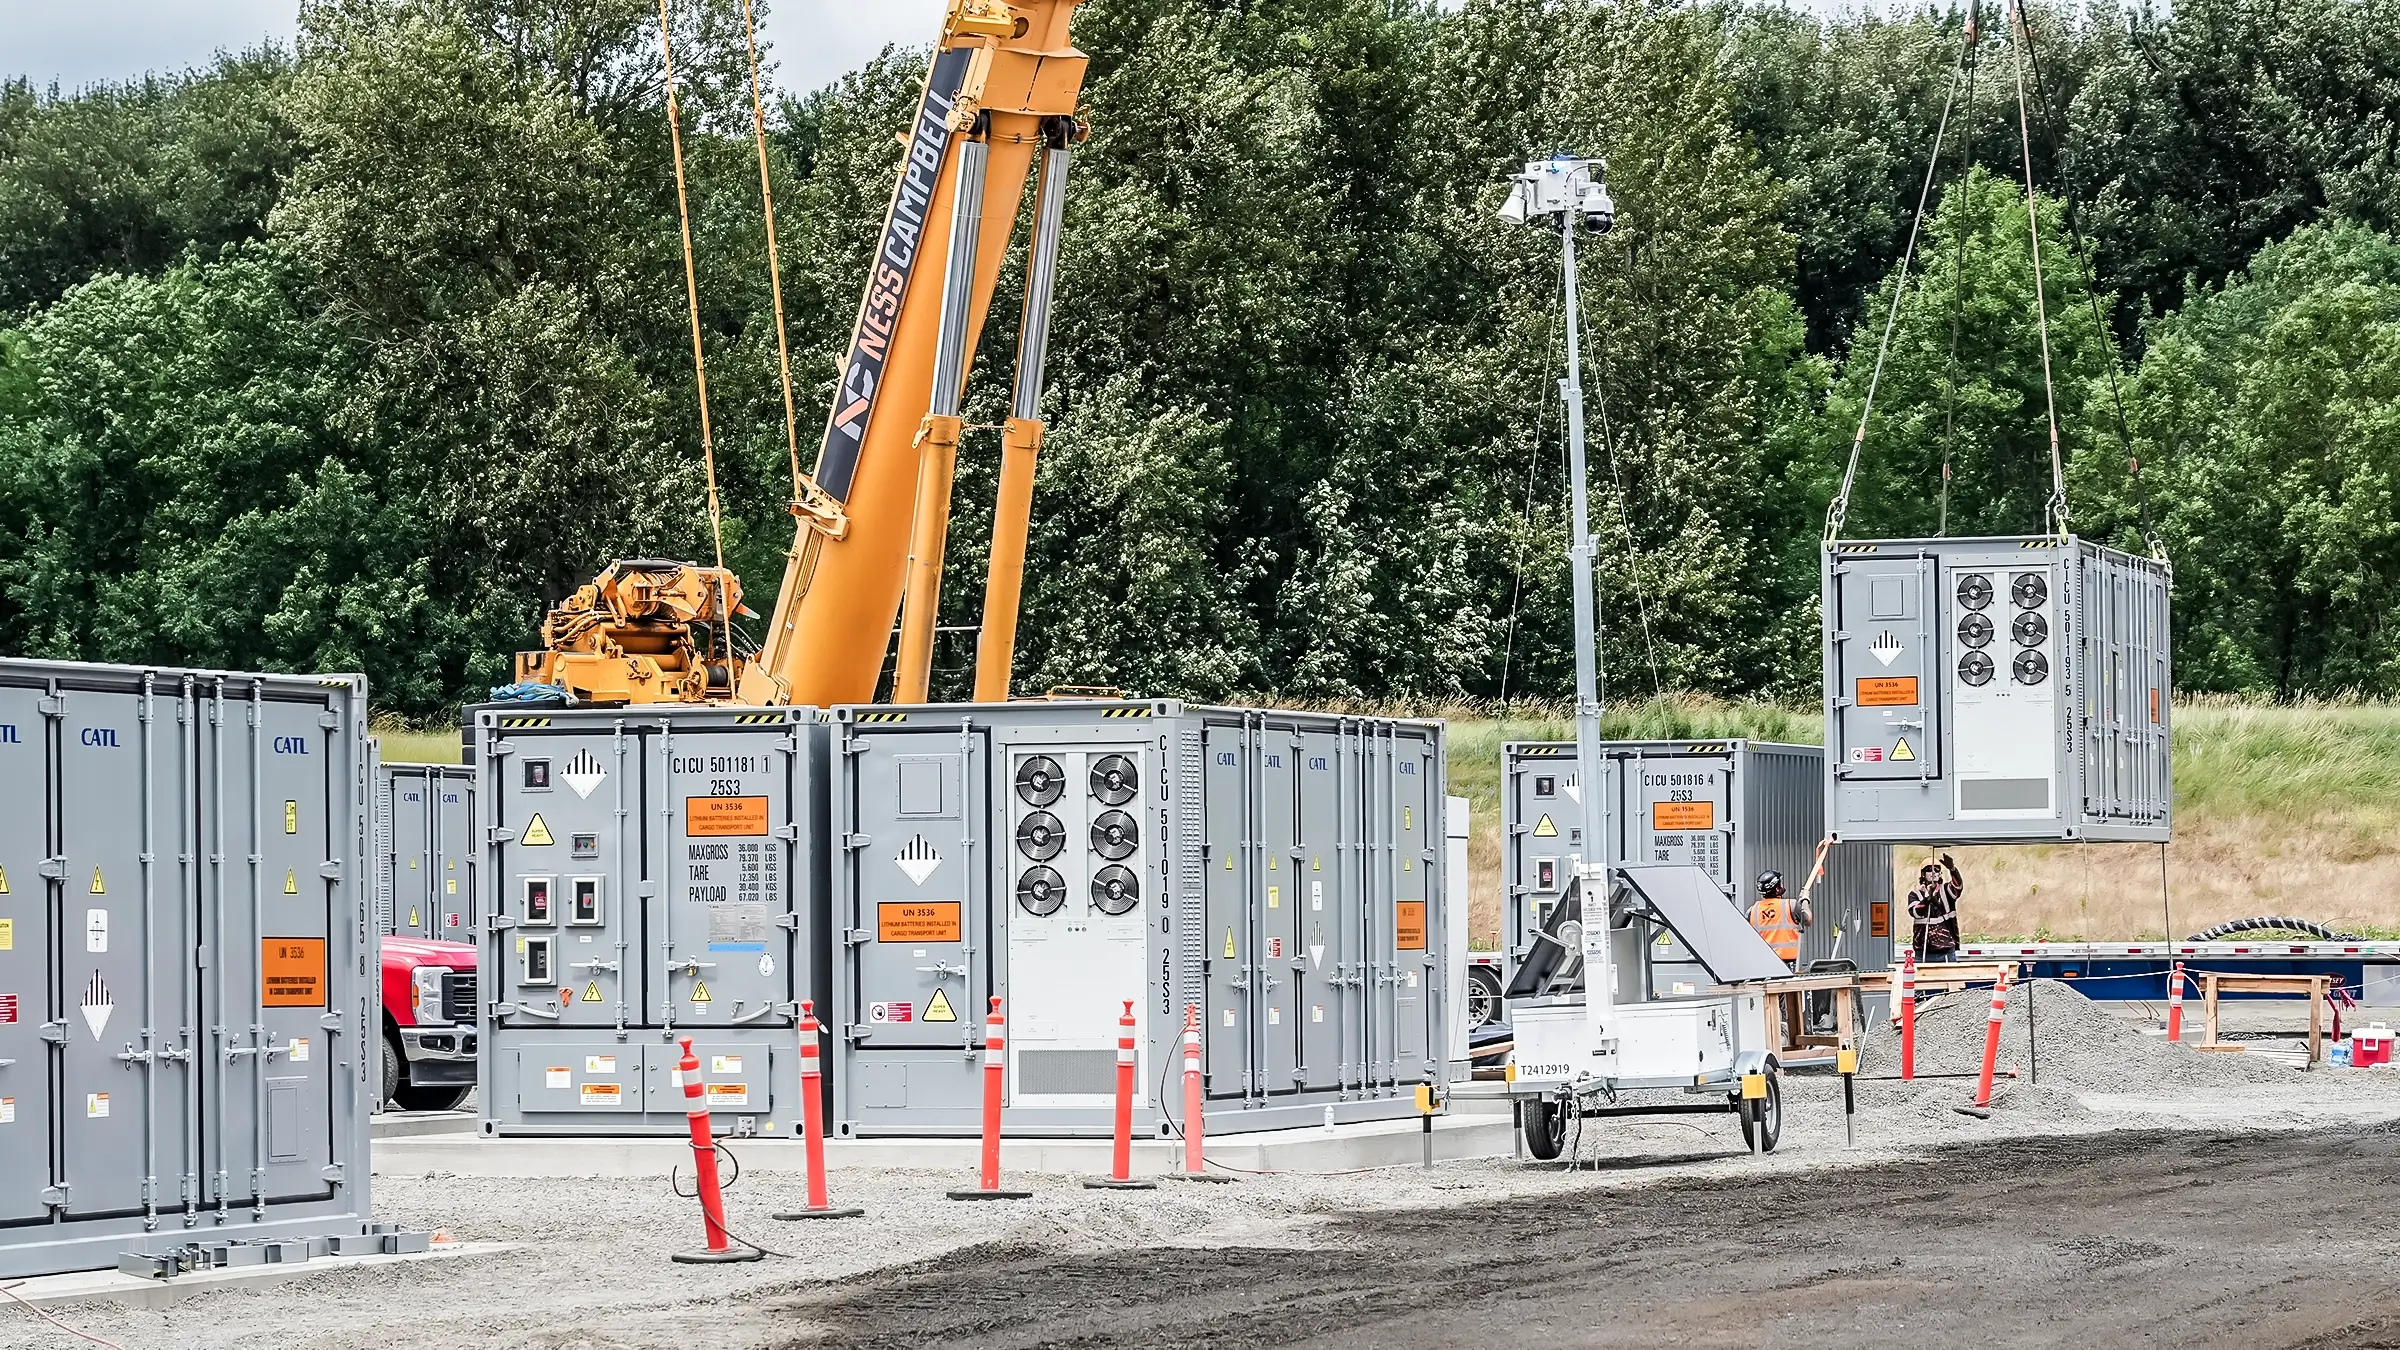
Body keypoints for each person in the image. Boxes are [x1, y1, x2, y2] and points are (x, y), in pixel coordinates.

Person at [1747, 869, 1811, 967]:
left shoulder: (1752, 911)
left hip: (1762, 965)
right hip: (1788, 965)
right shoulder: (1791, 905)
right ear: (1777, 889)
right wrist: (1805, 899)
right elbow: (1808, 920)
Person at [1907, 853, 1964, 962]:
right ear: (1923, 874)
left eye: (1937, 869)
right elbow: (1915, 912)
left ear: (1940, 874)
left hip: (1946, 951)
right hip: (1923, 952)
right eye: (1929, 869)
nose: (1933, 872)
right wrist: (1928, 899)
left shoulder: (1946, 891)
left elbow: (1958, 887)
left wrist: (1952, 869)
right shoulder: (1915, 895)